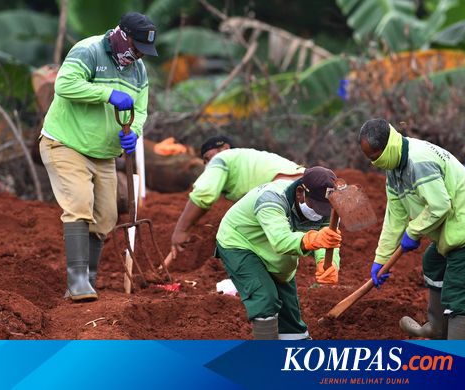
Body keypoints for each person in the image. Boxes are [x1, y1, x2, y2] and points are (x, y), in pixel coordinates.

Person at [38, 12, 157, 301]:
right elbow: (63, 85)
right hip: (66, 144)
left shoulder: (139, 71)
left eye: (144, 50)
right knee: (79, 203)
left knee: (106, 216)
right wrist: (108, 93)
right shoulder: (88, 50)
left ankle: (89, 279)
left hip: (103, 154)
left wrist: (134, 133)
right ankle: (77, 282)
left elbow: (139, 111)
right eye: (137, 46)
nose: (139, 54)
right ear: (122, 35)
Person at [359, 119, 465, 340]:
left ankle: (464, 350)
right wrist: (381, 258)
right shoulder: (394, 169)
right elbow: (395, 217)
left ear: (388, 144)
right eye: (370, 159)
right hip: (450, 234)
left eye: (375, 156)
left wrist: (413, 231)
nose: (374, 163)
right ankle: (437, 330)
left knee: (456, 296)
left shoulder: (418, 161)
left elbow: (440, 206)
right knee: (432, 263)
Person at [166, 136, 338, 280]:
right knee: (318, 234)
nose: (207, 166)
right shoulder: (250, 161)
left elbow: (204, 194)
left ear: (224, 148)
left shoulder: (222, 158)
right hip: (309, 194)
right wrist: (326, 260)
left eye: (207, 159)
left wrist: (180, 231)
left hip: (291, 195)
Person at [215, 167, 342, 339]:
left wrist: (327, 263)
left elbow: (328, 238)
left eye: (326, 209)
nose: (321, 214)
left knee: (289, 316)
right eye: (318, 207)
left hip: (273, 252)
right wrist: (313, 239)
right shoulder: (272, 198)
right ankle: (267, 356)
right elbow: (281, 241)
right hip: (240, 242)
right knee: (265, 298)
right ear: (300, 193)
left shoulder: (330, 207)